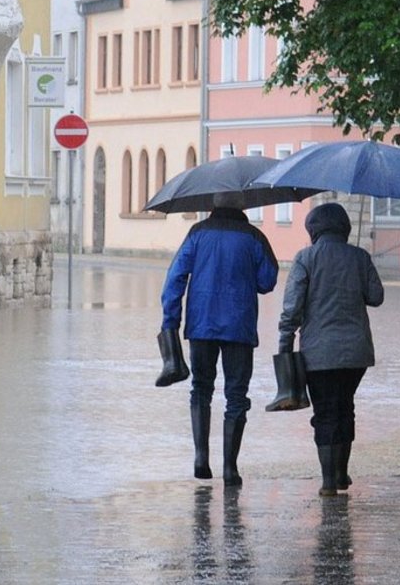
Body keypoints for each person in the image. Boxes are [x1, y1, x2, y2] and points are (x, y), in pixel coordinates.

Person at [161, 199, 279, 484]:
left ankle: (201, 457)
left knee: (201, 388)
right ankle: (230, 468)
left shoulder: (197, 233)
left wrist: (170, 322)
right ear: (242, 206)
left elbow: (175, 278)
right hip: (239, 326)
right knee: (236, 395)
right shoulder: (253, 237)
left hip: (201, 325)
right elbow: (268, 281)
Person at [277, 203, 385, 497]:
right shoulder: (360, 257)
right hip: (355, 353)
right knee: (345, 407)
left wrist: (285, 344)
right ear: (345, 228)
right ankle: (341, 473)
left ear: (313, 230)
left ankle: (327, 481)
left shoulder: (305, 259)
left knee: (325, 411)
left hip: (318, 353)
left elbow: (292, 307)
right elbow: (376, 297)